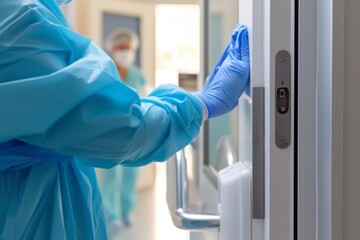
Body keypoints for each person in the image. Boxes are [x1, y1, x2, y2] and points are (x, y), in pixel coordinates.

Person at [0, 0, 249, 239]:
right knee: (112, 181)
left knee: (125, 182)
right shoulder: (17, 17)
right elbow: (115, 128)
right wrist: (200, 105)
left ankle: (124, 211)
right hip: (21, 216)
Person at [99, 28, 147, 234]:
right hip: (110, 132)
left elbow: (144, 100)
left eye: (127, 49)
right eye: (120, 48)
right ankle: (112, 215)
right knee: (111, 176)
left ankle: (127, 210)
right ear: (112, 49)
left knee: (130, 174)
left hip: (132, 133)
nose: (124, 52)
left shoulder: (137, 74)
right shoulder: (106, 71)